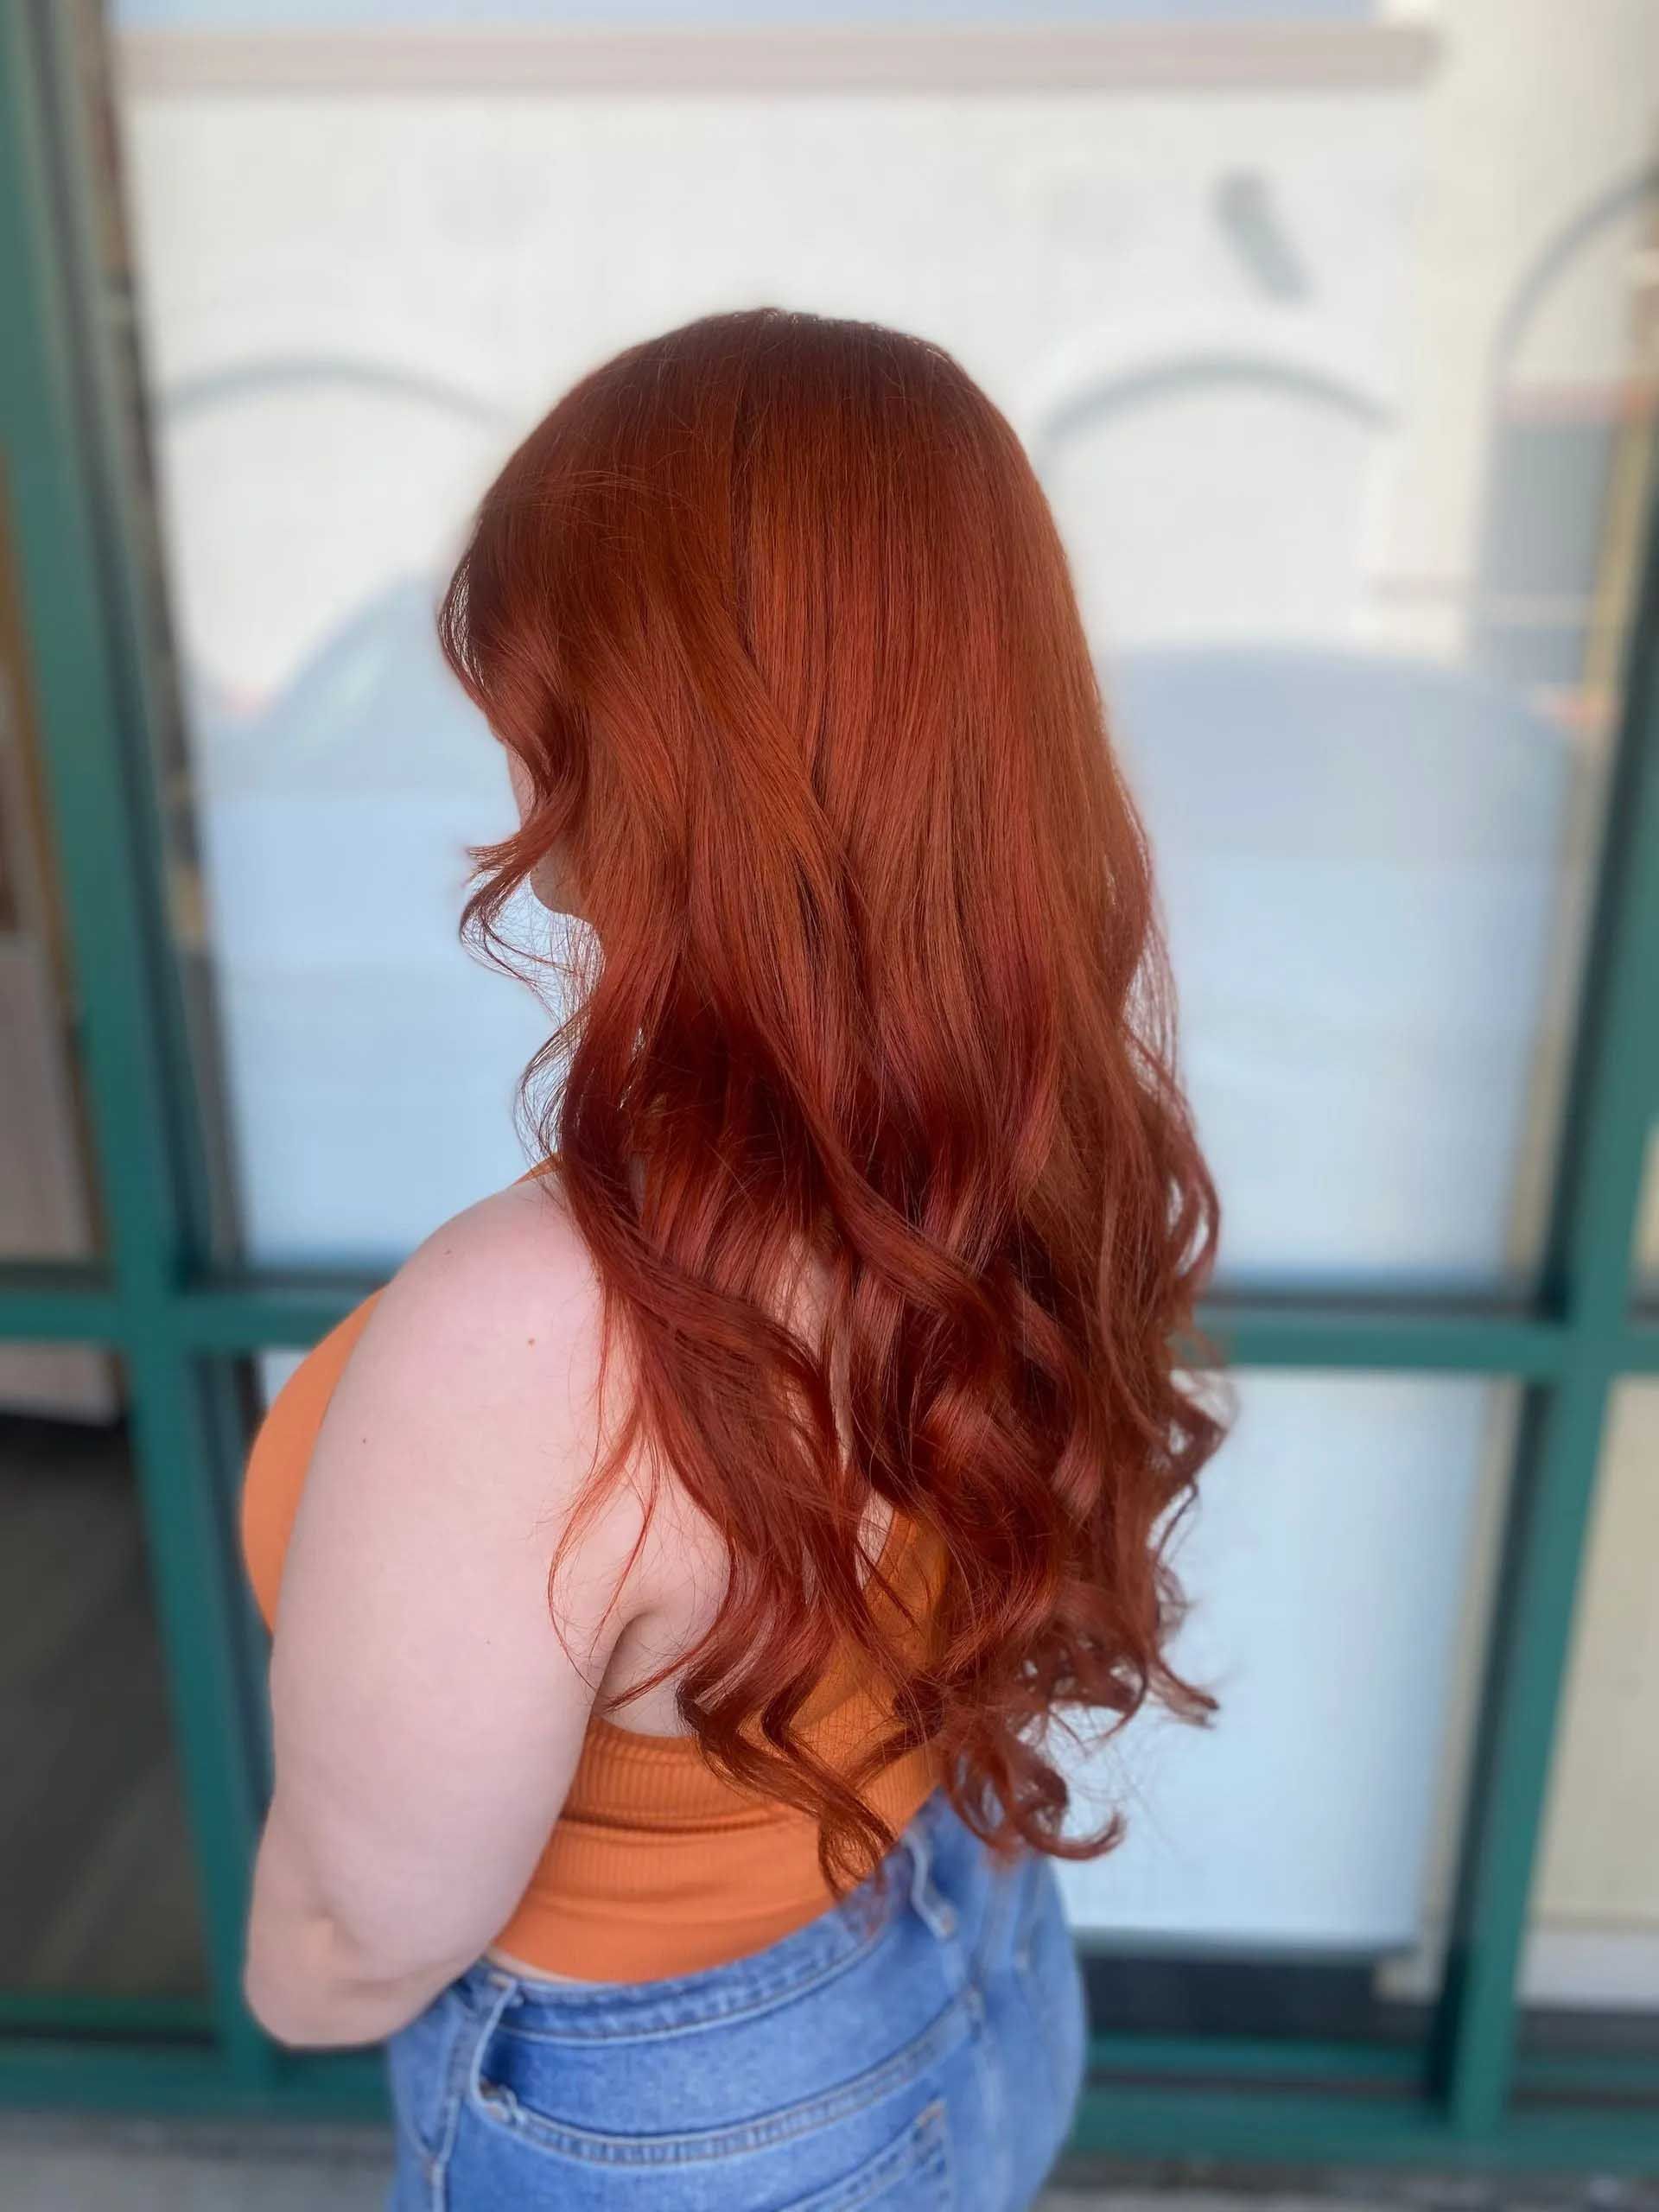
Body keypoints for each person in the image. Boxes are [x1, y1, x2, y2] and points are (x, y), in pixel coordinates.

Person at [239, 306, 1223, 2211]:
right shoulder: (1021, 1143)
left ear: (657, 748)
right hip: (977, 1951)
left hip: (698, 2112)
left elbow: (363, 1923)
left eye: (542, 708)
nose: (522, 782)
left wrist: (279, 1989)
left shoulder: (536, 1333)